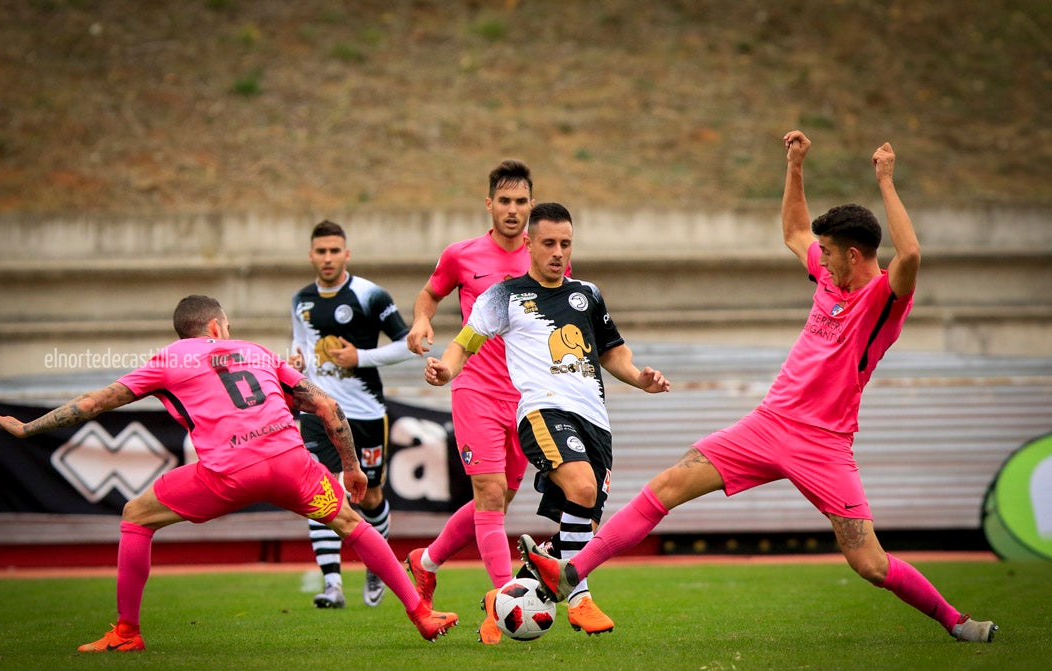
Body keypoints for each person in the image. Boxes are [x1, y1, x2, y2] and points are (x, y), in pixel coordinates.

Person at [519, 131, 998, 643]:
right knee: (665, 488)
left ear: (856, 255)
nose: (823, 261)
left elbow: (913, 253)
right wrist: (795, 167)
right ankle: (570, 573)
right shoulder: (830, 280)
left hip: (823, 446)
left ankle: (957, 622)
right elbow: (794, 229)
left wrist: (885, 180)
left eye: (832, 253)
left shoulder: (884, 298)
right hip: (766, 427)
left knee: (869, 563)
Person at [0, 295, 458, 651]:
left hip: (229, 473)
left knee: (135, 516)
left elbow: (95, 402)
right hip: (293, 466)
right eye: (226, 324)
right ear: (215, 325)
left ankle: (126, 632)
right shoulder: (255, 350)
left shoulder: (169, 358)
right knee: (352, 525)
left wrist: (28, 429)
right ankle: (420, 613)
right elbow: (327, 405)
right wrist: (352, 467)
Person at [425, 202, 671, 638]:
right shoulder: (505, 296)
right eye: (549, 243)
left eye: (565, 244)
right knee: (580, 488)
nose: (558, 252)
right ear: (529, 244)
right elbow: (463, 343)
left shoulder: (588, 294)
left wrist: (639, 378)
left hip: (595, 420)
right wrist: (446, 368)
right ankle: (581, 598)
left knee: (583, 526)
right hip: (542, 409)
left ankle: (512, 590)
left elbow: (612, 352)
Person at [288, 220, 418, 610]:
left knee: (371, 494)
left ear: (346, 254)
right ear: (311, 255)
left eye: (334, 251)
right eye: (321, 251)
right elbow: (300, 341)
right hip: (317, 408)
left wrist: (359, 357)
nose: (327, 258)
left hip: (365, 413)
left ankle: (375, 565)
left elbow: (406, 344)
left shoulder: (370, 295)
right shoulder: (300, 300)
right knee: (320, 491)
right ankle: (333, 585)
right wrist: (295, 359)